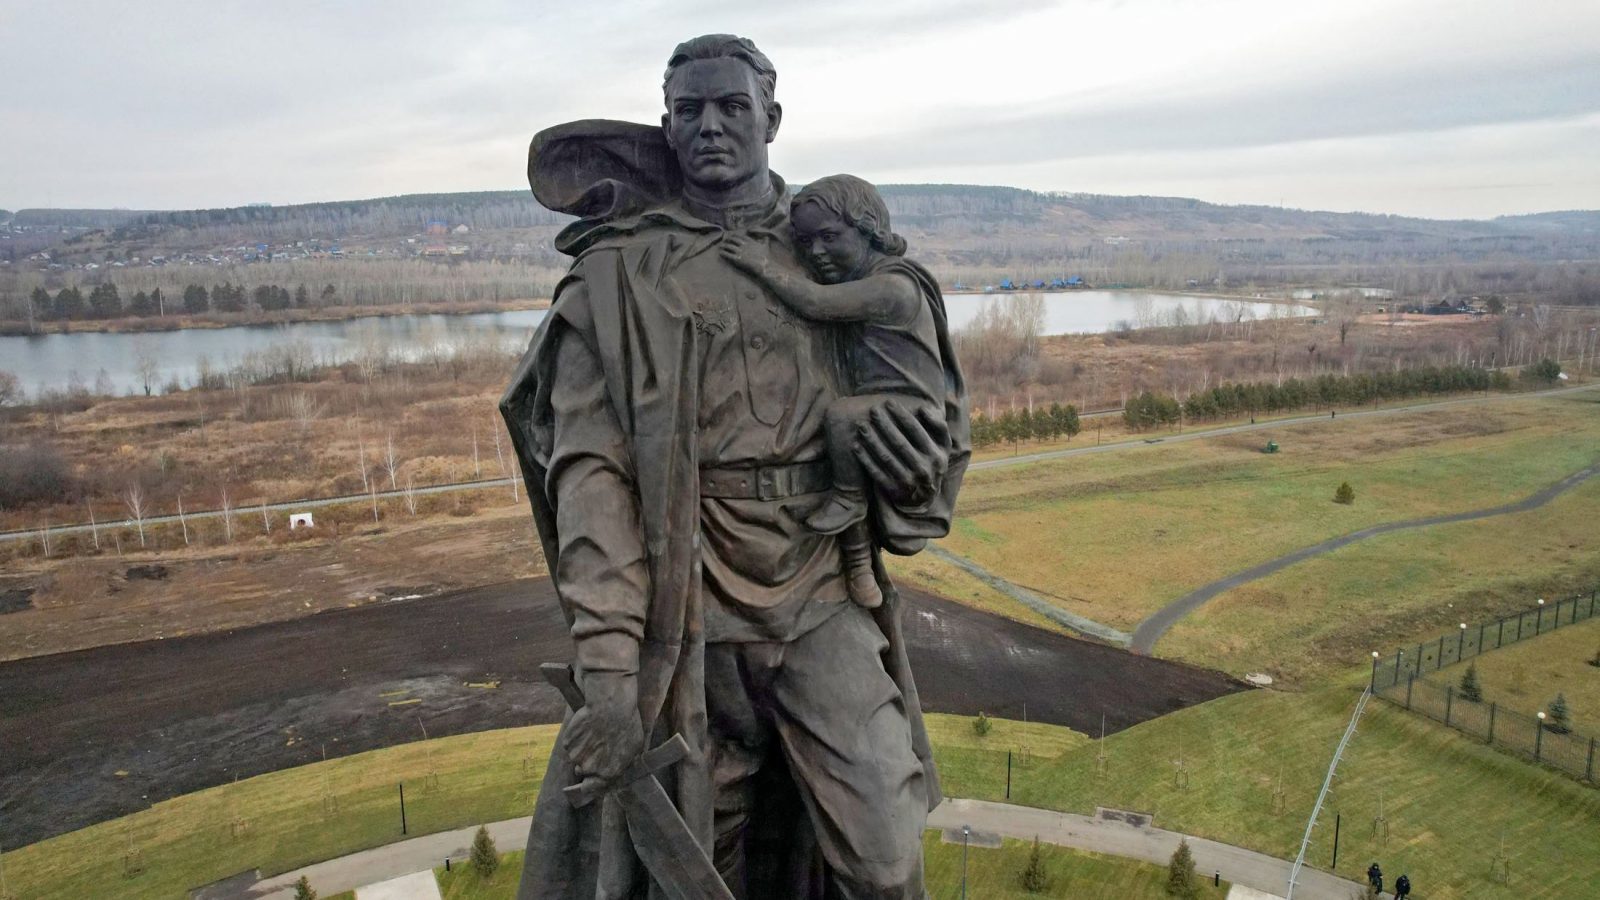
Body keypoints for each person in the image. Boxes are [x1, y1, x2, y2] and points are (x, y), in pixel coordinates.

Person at [500, 33, 969, 900]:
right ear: (667, 128)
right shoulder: (618, 277)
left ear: (773, 119)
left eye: (733, 107)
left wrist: (910, 471)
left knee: (885, 855)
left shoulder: (831, 250)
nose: (711, 126)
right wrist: (607, 672)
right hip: (690, 615)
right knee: (693, 868)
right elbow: (589, 480)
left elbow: (922, 415)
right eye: (689, 111)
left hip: (822, 597)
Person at [720, 174, 950, 610]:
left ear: (869, 230)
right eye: (806, 242)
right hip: (875, 405)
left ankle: (848, 501)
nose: (816, 253)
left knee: (842, 420)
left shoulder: (893, 288)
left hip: (908, 410)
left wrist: (759, 264)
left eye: (829, 237)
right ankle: (858, 564)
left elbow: (816, 304)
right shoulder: (860, 279)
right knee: (845, 444)